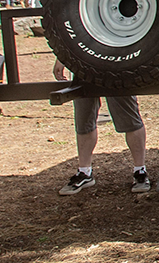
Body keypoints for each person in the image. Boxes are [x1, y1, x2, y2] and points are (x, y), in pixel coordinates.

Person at [53, 61, 151, 195]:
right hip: (83, 64)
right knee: (84, 119)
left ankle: (140, 170)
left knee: (128, 117)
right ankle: (84, 172)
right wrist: (61, 58)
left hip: (116, 63)